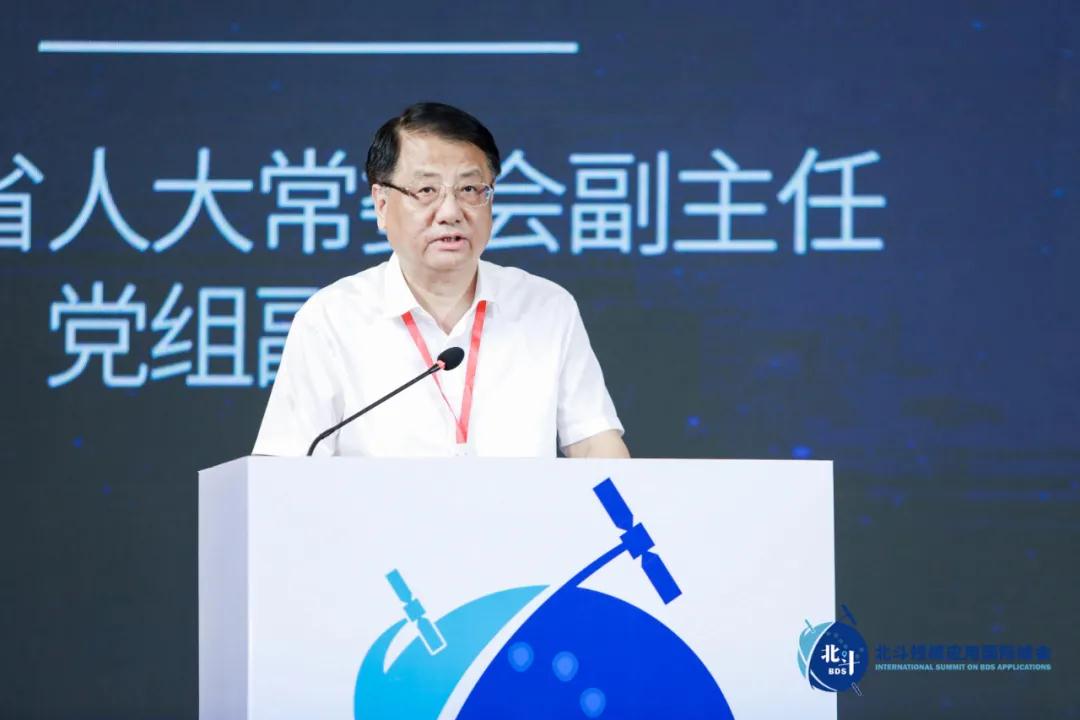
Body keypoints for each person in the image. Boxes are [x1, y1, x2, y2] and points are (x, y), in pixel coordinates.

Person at [253, 102, 628, 458]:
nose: (450, 212)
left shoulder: (546, 308)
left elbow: (595, 448)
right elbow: (286, 468)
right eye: (426, 190)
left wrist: (622, 509)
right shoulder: (331, 319)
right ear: (381, 204)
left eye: (469, 189)